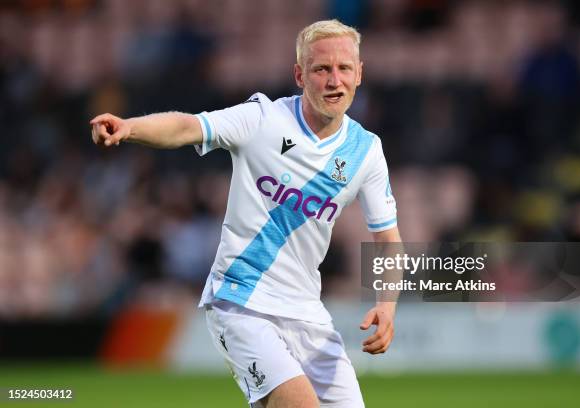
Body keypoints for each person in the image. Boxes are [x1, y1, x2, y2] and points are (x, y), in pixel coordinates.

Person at [91, 19, 401, 408]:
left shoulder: (366, 151)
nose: (333, 80)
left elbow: (388, 241)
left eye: (343, 68)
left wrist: (387, 305)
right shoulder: (262, 119)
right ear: (299, 74)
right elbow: (189, 126)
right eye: (321, 69)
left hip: (307, 312)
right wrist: (130, 127)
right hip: (241, 302)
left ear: (359, 74)